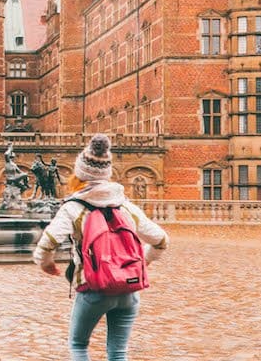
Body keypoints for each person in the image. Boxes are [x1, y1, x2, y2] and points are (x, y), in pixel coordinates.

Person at [34, 134, 168, 361]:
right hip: (129, 289)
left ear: (80, 173)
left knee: (78, 345)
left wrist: (46, 264)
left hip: (94, 289)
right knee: (118, 353)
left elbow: (48, 243)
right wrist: (143, 261)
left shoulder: (74, 208)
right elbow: (161, 240)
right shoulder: (125, 206)